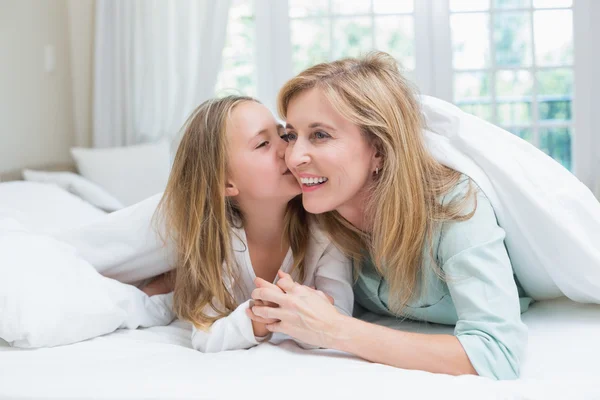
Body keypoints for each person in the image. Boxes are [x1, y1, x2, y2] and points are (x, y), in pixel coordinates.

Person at [248, 52, 532, 380]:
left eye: (321, 135)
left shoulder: (454, 206)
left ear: (379, 150)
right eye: (291, 135)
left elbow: (496, 353)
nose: (294, 157)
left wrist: (336, 330)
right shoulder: (319, 211)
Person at [145, 95, 353, 352]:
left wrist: (290, 312)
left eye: (284, 135)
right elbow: (206, 336)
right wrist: (267, 315)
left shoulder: (326, 233)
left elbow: (340, 321)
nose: (289, 150)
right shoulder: (219, 241)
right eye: (263, 143)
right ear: (225, 183)